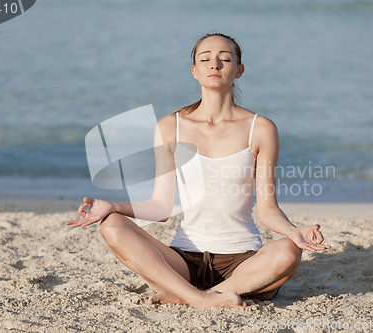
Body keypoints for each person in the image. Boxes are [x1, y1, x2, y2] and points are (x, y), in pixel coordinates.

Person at [67, 33, 330, 308]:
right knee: (112, 224)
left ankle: (186, 297)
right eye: (205, 59)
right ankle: (199, 298)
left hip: (242, 264)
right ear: (195, 71)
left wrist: (293, 231)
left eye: (225, 59)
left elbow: (267, 209)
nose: (214, 64)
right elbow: (160, 208)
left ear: (239, 70)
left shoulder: (260, 129)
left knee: (289, 251)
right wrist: (113, 205)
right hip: (184, 261)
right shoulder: (171, 127)